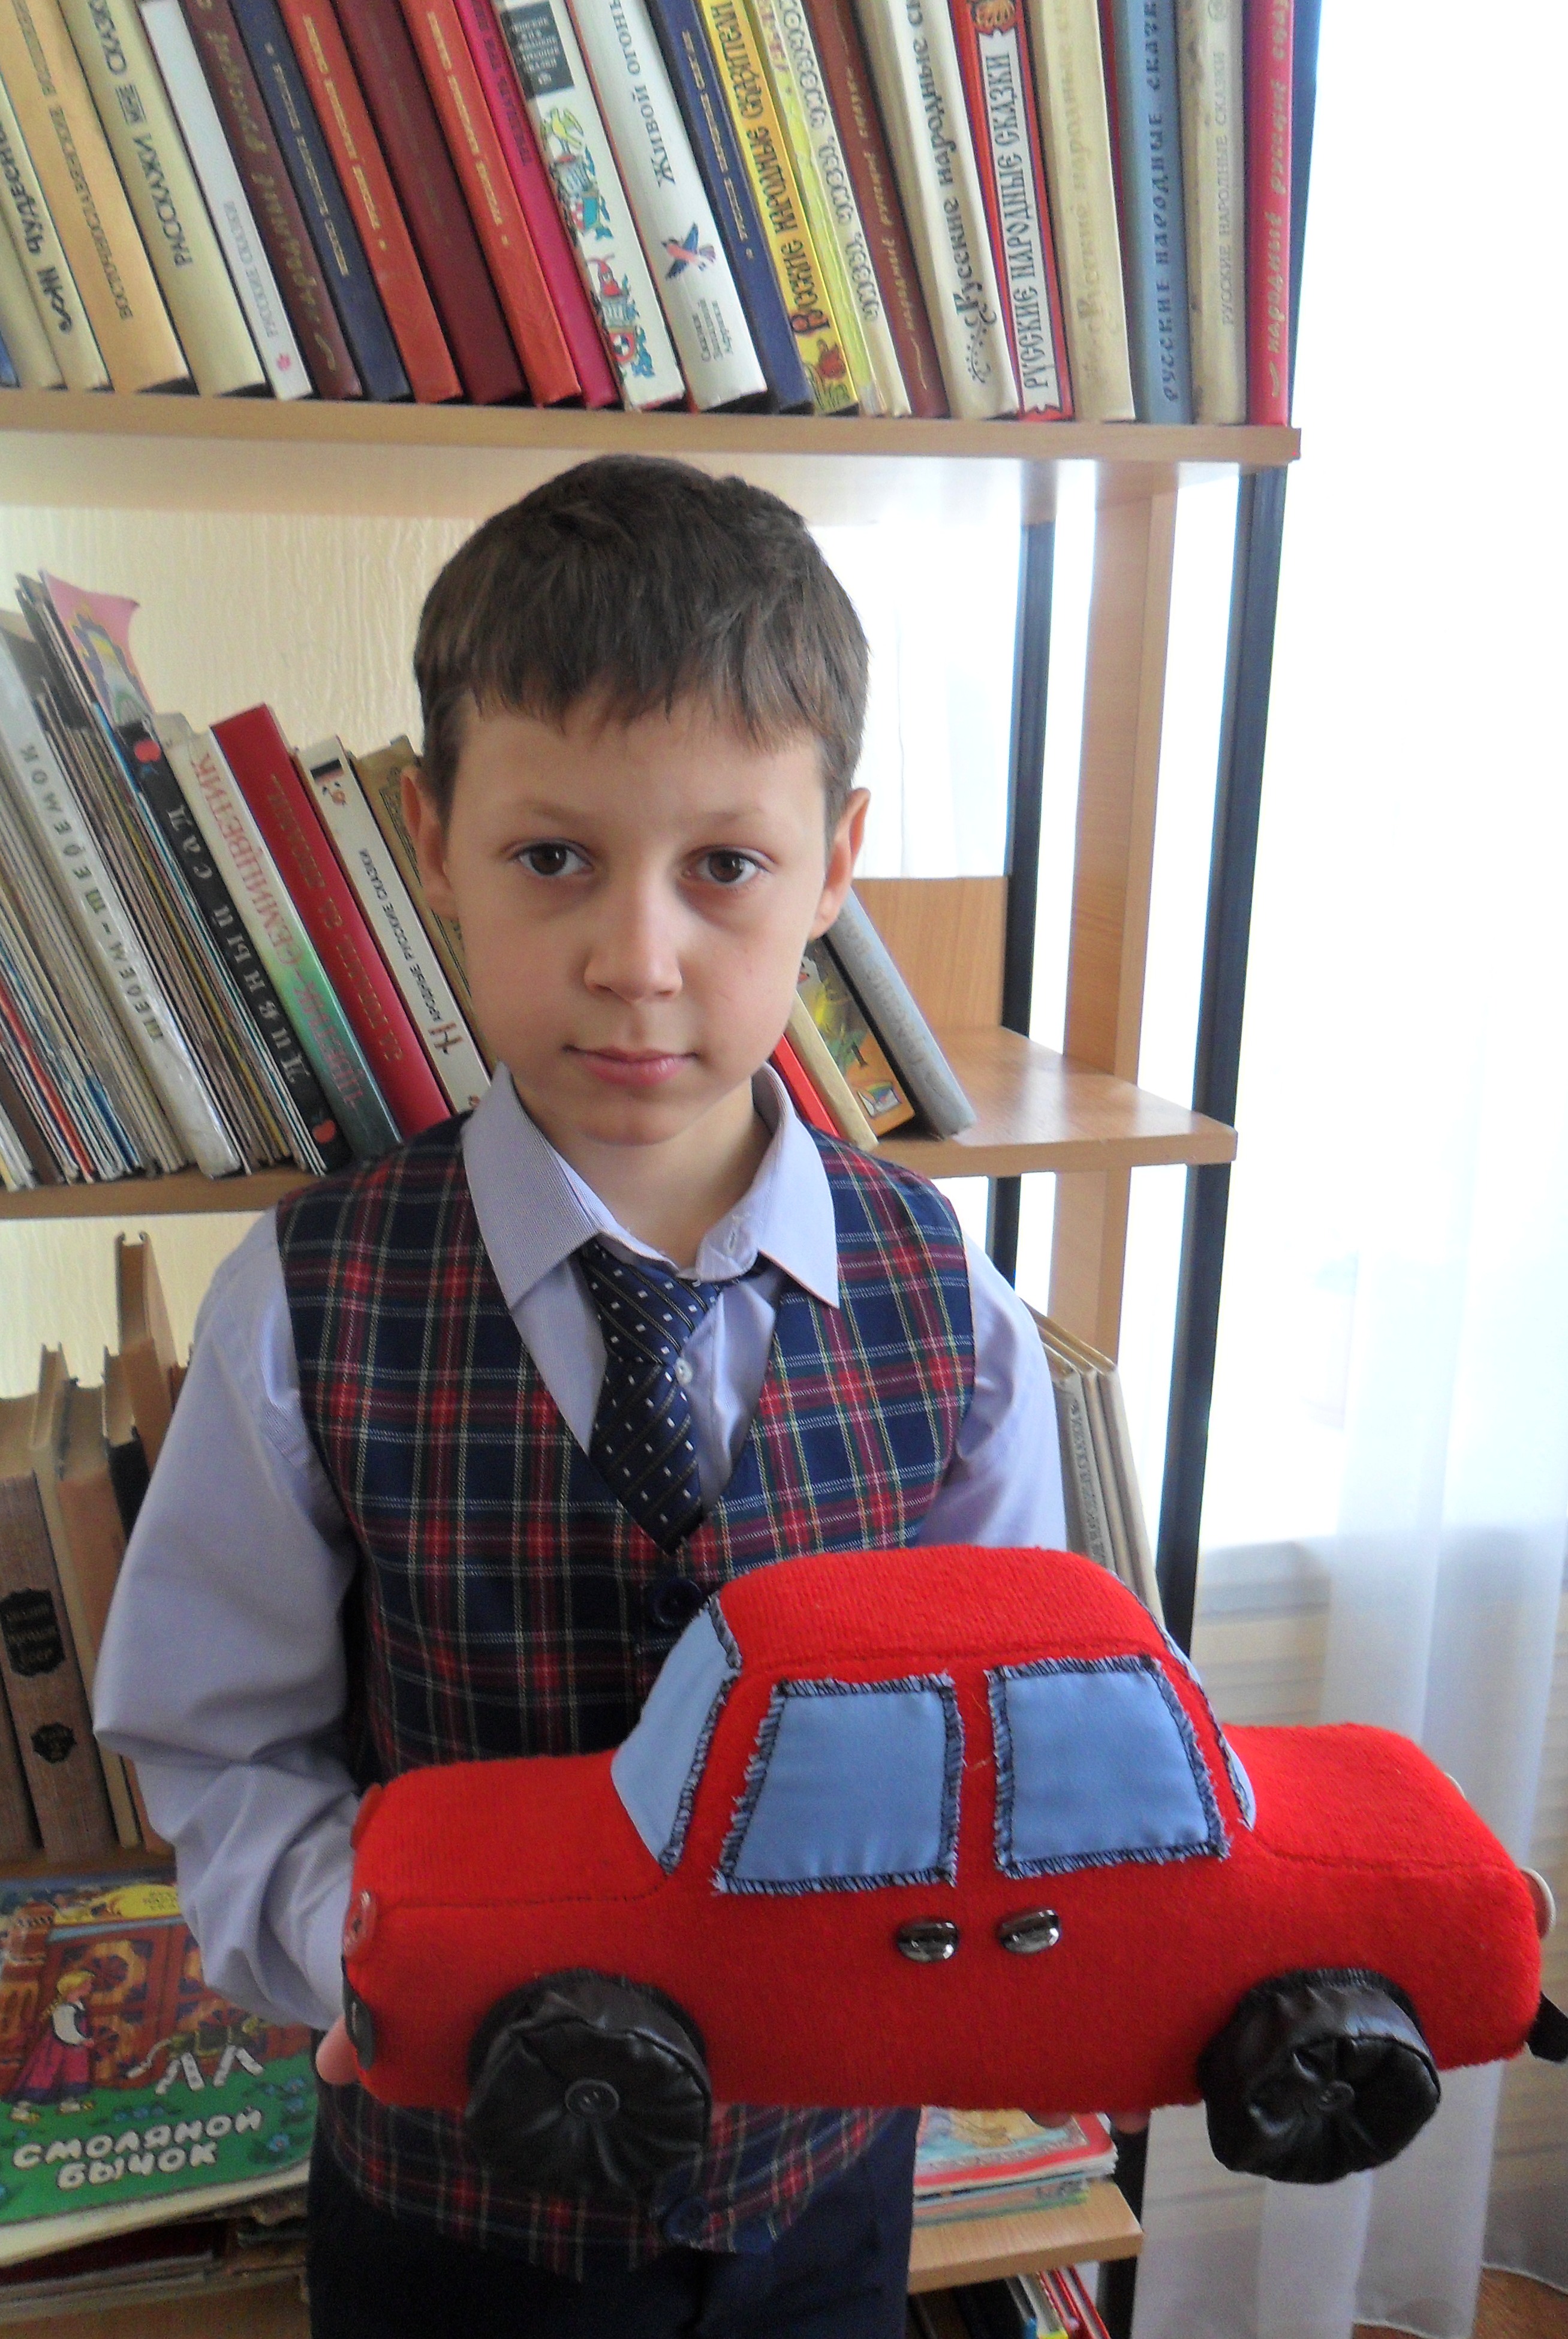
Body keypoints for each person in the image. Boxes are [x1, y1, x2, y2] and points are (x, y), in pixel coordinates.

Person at [95, 455, 1069, 2339]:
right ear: (433, 841)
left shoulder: (950, 1313)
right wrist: (375, 1956)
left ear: (836, 864)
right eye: (554, 859)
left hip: (820, 2196)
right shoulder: (305, 1307)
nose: (636, 962)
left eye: (725, 867)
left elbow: (1010, 1727)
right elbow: (222, 1748)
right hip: (453, 2220)